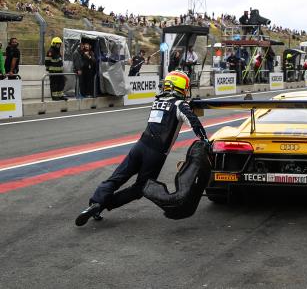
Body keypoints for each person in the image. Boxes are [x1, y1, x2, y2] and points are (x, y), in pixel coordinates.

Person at [75, 71, 209, 226]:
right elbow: (194, 122)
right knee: (140, 188)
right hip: (156, 153)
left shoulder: (157, 101)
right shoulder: (180, 105)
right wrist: (205, 140)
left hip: (140, 146)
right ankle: (105, 204)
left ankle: (96, 202)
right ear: (180, 87)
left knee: (117, 177)